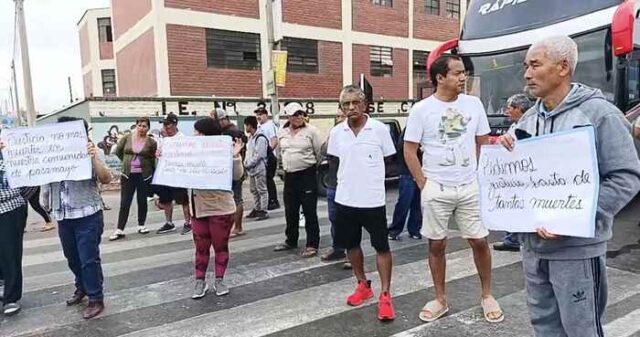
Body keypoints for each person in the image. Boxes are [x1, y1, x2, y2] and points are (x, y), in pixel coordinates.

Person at [498, 35, 640, 337]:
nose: (526, 74)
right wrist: (505, 147)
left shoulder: (601, 115)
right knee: (544, 327)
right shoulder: (528, 118)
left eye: (535, 65)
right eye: (526, 66)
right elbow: (519, 173)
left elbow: (627, 177)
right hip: (533, 249)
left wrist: (572, 217)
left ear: (563, 67)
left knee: (581, 329)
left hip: (576, 251)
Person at [404, 54, 503, 323]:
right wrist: (424, 184)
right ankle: (440, 299)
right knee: (436, 245)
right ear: (440, 77)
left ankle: (486, 295)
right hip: (436, 187)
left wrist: (481, 175)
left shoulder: (473, 104)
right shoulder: (421, 110)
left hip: (469, 185)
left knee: (480, 241)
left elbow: (483, 141)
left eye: (464, 73)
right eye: (458, 73)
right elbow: (409, 150)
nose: (463, 78)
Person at [328, 85, 397, 321]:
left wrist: (372, 180)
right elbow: (335, 162)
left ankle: (385, 294)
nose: (350, 108)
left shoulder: (379, 129)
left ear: (364, 103)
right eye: (345, 104)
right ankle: (362, 285)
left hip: (373, 200)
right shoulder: (337, 132)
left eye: (355, 102)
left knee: (381, 247)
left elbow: (389, 161)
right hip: (345, 200)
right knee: (351, 246)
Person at [41, 117, 112, 319]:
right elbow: (45, 179)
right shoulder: (52, 153)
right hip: (64, 215)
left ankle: (96, 298)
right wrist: (46, 202)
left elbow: (106, 178)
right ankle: (82, 286)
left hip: (87, 214)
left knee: (88, 259)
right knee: (72, 257)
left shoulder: (91, 151)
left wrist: (93, 158)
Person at [180, 117, 245, 299]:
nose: (194, 135)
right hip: (198, 209)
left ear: (206, 135)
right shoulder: (190, 152)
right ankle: (200, 281)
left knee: (220, 246)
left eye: (197, 132)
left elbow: (237, 175)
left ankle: (219, 279)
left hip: (220, 208)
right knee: (200, 248)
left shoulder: (224, 151)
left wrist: (235, 156)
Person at [273, 103, 322, 258]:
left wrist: (310, 167)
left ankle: (312, 244)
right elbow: (280, 152)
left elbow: (319, 153)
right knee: (290, 210)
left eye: (301, 113)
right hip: (290, 176)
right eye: (295, 114)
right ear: (288, 116)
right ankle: (291, 240)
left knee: (309, 211)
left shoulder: (311, 131)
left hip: (306, 175)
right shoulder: (282, 132)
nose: (299, 117)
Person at [491, 93, 533, 252]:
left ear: (519, 109)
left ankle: (514, 239)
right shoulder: (515, 124)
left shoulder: (527, 125)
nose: (506, 111)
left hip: (520, 175)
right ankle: (512, 238)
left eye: (510, 108)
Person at [109, 117, 157, 241]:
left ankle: (142, 225)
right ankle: (120, 229)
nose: (141, 128)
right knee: (125, 201)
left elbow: (152, 158)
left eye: (144, 126)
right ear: (136, 126)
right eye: (139, 125)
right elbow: (119, 152)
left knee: (142, 200)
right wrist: (126, 162)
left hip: (143, 174)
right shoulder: (126, 138)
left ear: (148, 128)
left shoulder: (151, 142)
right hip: (127, 174)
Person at [0, 141, 32, 315]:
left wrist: (18, 199)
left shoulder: (13, 154)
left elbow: (31, 183)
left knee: (10, 252)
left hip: (10, 209)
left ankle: (10, 298)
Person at [320, 109, 351, 269]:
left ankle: (352, 253)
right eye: (337, 116)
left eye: (343, 116)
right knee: (334, 218)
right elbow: (324, 151)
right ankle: (338, 248)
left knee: (349, 221)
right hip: (333, 184)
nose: (340, 119)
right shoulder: (334, 135)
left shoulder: (352, 136)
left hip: (348, 185)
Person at [154, 113, 192, 235]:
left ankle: (188, 222)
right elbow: (160, 154)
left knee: (183, 199)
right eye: (164, 124)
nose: (165, 127)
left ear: (175, 124)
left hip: (178, 174)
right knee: (166, 199)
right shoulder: (163, 138)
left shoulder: (182, 138)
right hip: (166, 174)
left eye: (168, 124)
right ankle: (169, 222)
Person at [214, 109, 248, 237]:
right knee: (233, 198)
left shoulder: (231, 133)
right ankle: (234, 227)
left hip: (234, 169)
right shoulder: (229, 131)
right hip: (231, 169)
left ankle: (237, 227)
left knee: (236, 199)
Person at [387, 128, 423, 241]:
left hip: (419, 171)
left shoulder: (418, 130)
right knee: (404, 201)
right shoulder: (409, 132)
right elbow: (404, 151)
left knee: (416, 202)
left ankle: (414, 229)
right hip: (407, 172)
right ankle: (395, 230)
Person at [243, 116, 269, 221]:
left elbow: (260, 154)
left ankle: (263, 210)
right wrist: (246, 162)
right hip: (251, 169)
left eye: (246, 125)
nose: (245, 128)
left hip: (259, 168)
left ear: (249, 125)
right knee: (253, 190)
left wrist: (249, 163)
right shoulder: (251, 138)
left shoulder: (260, 137)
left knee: (262, 189)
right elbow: (249, 152)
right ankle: (257, 208)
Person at [254, 107, 280, 210]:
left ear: (266, 115)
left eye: (261, 114)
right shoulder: (258, 126)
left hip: (268, 157)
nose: (258, 116)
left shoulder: (270, 126)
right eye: (257, 114)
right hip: (261, 158)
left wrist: (268, 153)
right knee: (263, 180)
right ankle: (267, 200)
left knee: (269, 179)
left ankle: (273, 201)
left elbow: (274, 140)